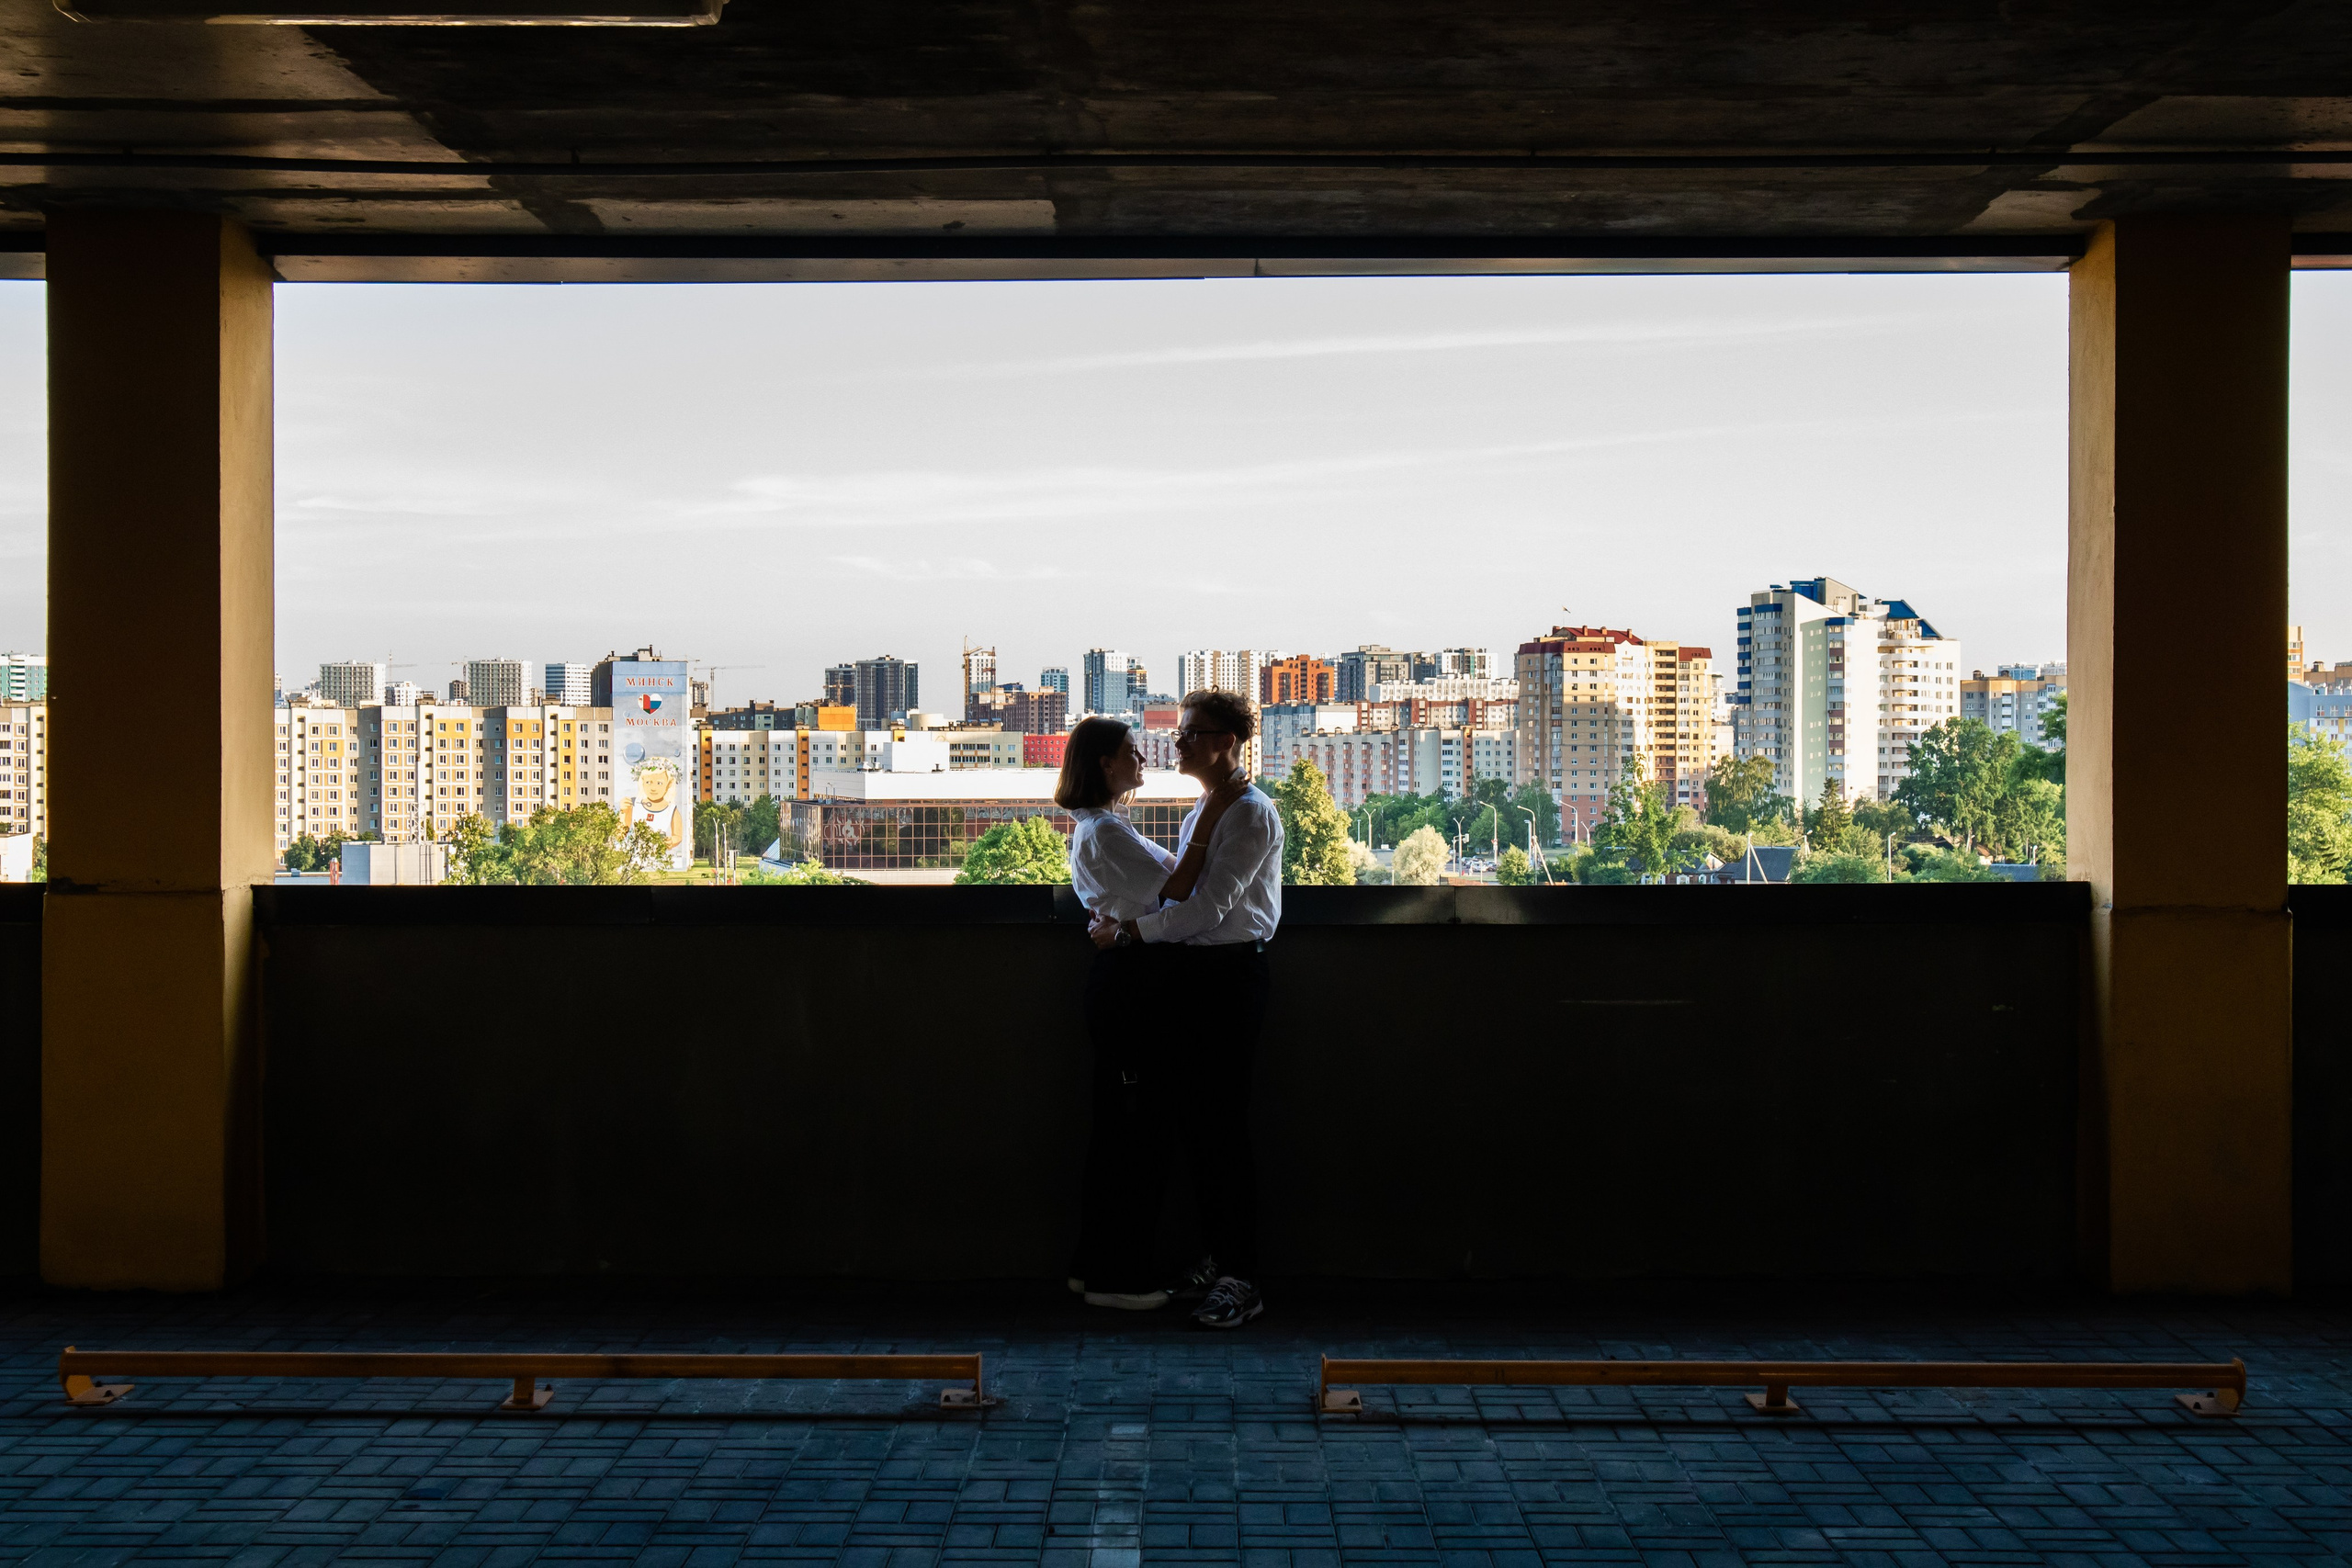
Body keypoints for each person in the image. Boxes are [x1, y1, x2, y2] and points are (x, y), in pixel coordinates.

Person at [1088, 688, 1283, 1329]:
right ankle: (1221, 1259)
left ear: (1227, 741)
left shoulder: (1248, 814)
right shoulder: (1208, 808)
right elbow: (1178, 889)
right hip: (1197, 978)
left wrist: (1128, 933)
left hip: (1229, 978)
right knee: (1199, 1127)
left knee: (1221, 1127)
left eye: (1193, 732)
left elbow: (1207, 909)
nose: (1179, 743)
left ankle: (1242, 1276)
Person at [1058, 716, 1248, 1312]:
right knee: (1135, 1131)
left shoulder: (1103, 828)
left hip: (1126, 985)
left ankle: (1096, 1267)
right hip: (1132, 990)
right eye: (1129, 751)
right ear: (1104, 765)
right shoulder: (1107, 833)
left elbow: (1166, 882)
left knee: (1123, 1126)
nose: (1143, 756)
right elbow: (1185, 892)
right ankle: (1119, 1276)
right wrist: (1215, 818)